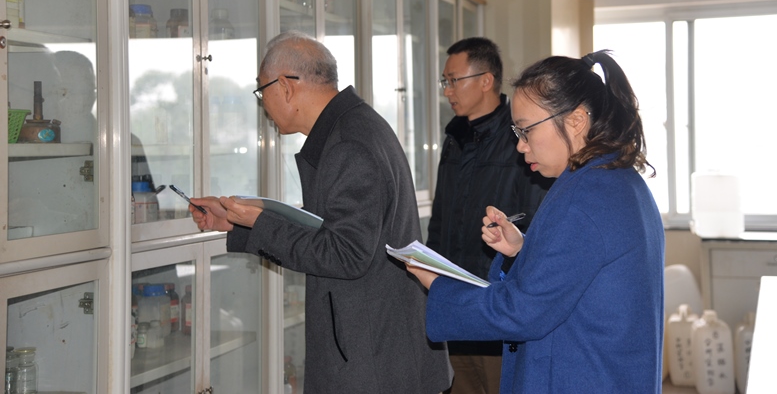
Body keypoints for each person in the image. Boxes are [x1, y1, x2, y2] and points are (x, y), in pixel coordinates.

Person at [189, 30, 452, 394]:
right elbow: (328, 226)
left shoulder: (349, 145)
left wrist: (261, 223)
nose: (263, 104)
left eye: (261, 91)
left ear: (285, 86)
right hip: (373, 349)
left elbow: (346, 253)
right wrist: (238, 223)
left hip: (373, 360)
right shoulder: (351, 128)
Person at [408, 50, 665, 392]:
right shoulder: (614, 179)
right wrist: (523, 250)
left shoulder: (586, 196)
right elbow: (581, 275)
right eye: (517, 131)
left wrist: (439, 285)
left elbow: (522, 311)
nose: (520, 146)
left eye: (526, 130)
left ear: (576, 121)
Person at [427, 37, 551, 394]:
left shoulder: (519, 140)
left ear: (486, 80)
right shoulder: (454, 138)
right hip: (456, 305)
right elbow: (440, 219)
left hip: (496, 306)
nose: (447, 91)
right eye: (445, 81)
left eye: (454, 80)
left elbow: (534, 222)